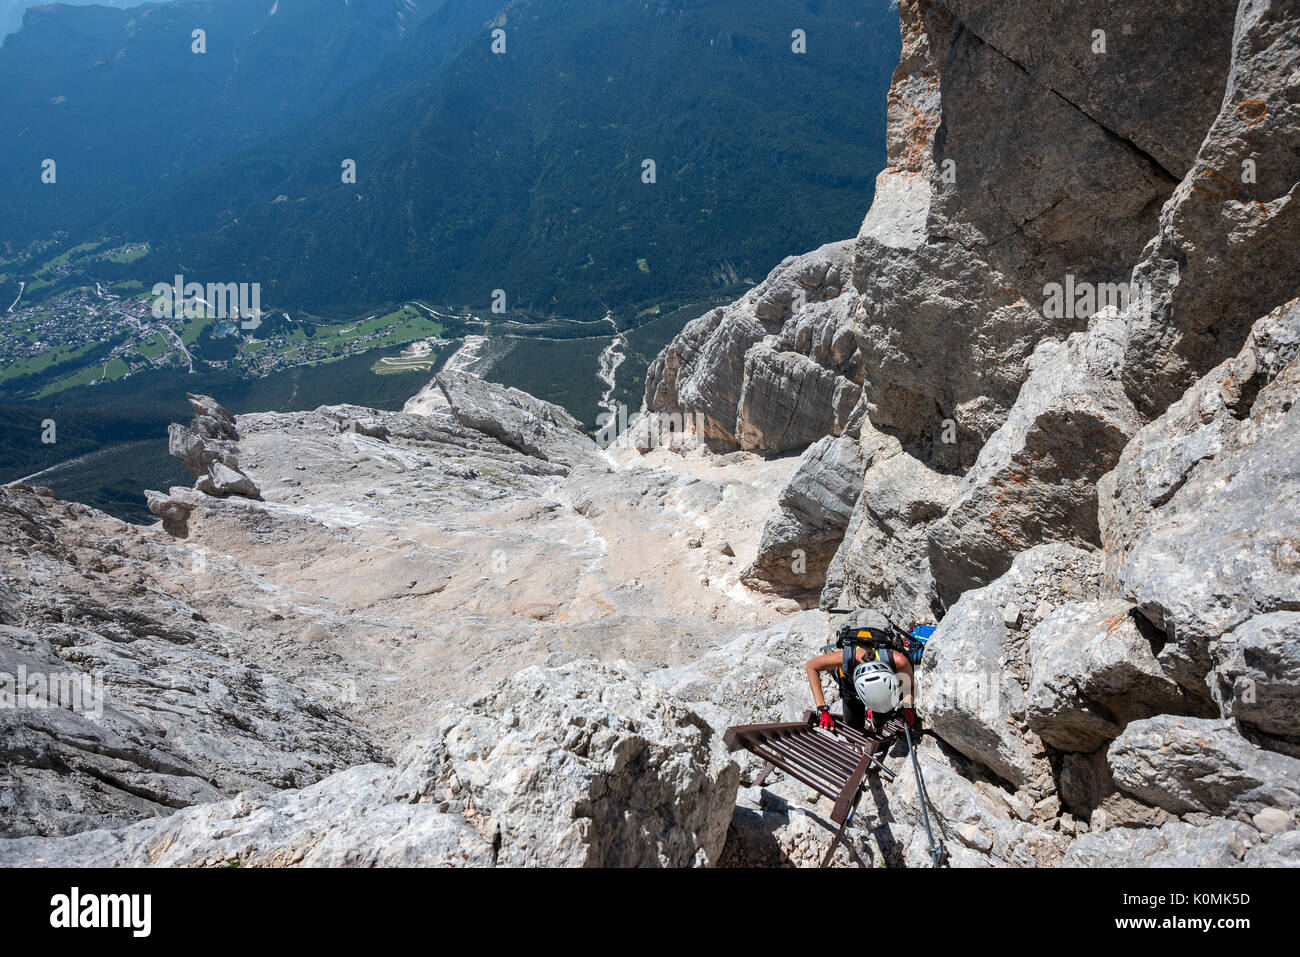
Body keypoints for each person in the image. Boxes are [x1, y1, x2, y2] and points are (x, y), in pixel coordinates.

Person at [805, 619, 916, 734]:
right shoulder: (846, 657)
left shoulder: (898, 661)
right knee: (853, 723)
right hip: (850, 685)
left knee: (882, 716)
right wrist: (822, 709)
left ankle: (877, 723)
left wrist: (907, 706)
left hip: (883, 690)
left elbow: (911, 686)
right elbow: (811, 666)